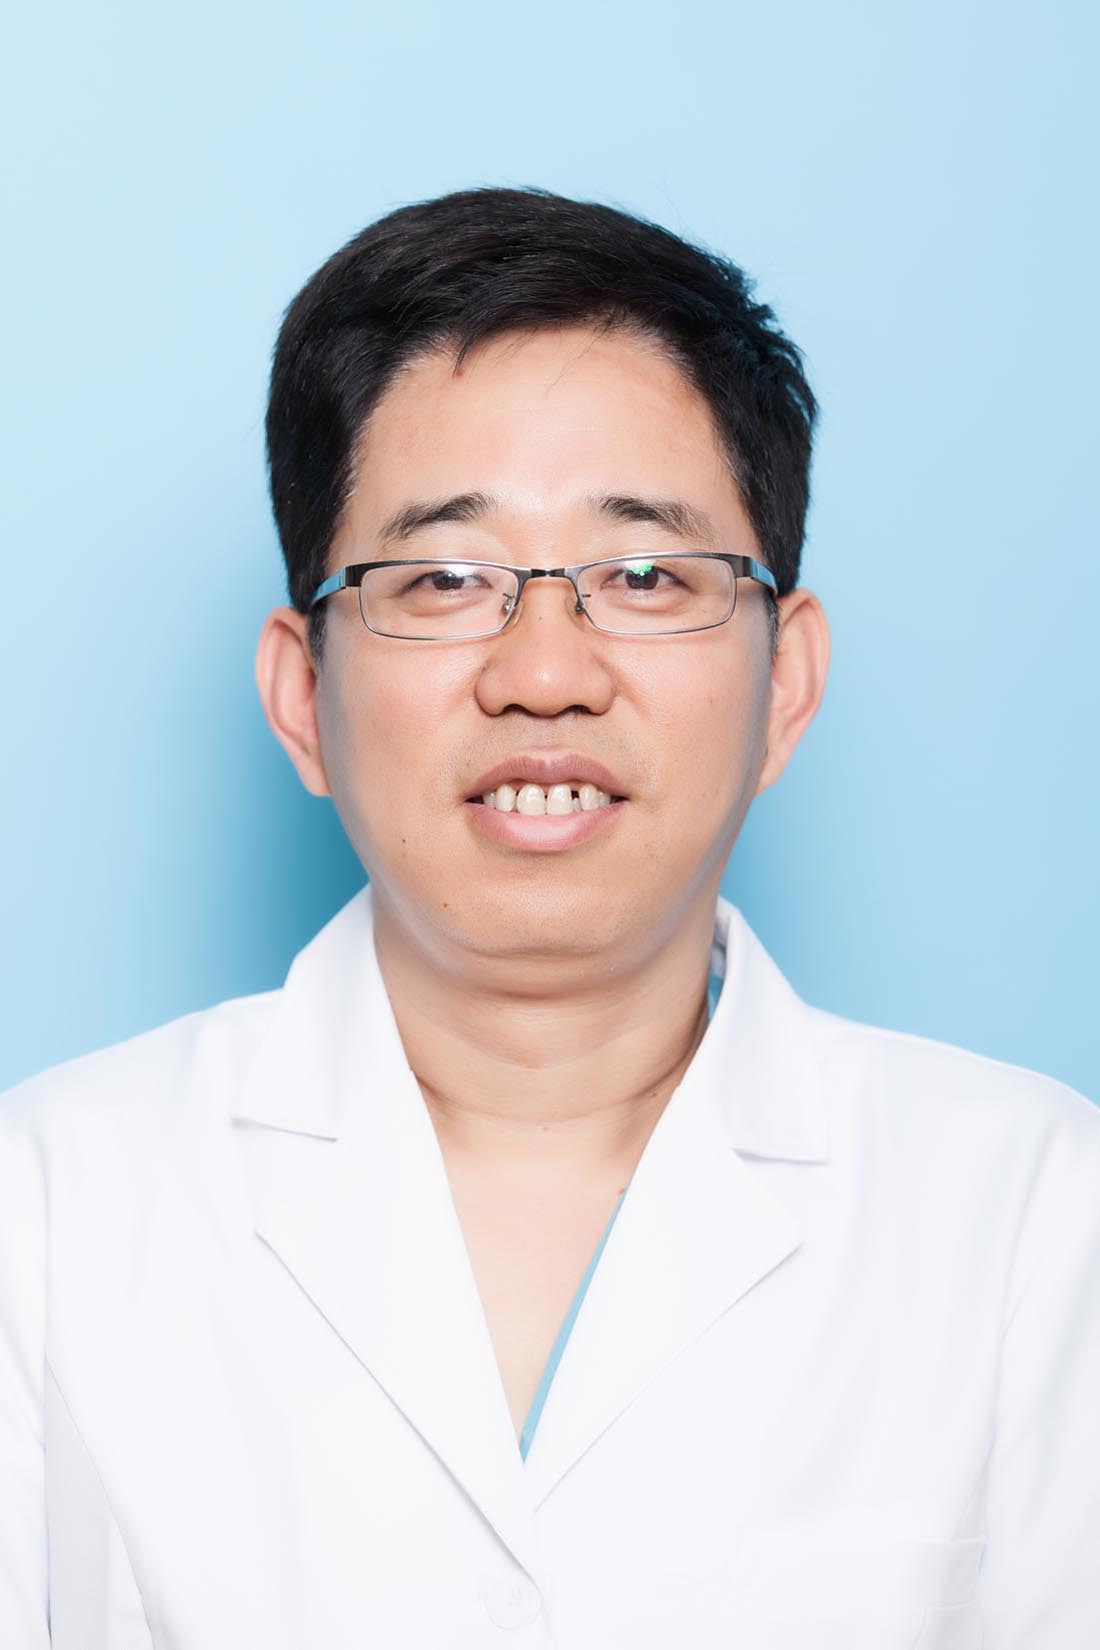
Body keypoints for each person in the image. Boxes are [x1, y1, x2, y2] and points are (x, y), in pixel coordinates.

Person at [1, 186, 1097, 1650]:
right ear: (302, 695)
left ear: (784, 684)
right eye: (443, 577)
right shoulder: (45, 1211)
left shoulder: (1035, 1214)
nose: (544, 674)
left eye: (643, 574)